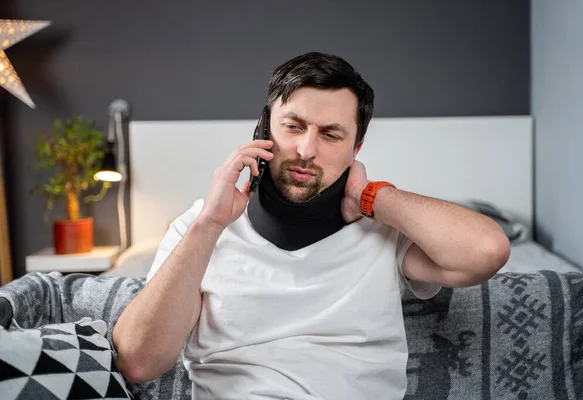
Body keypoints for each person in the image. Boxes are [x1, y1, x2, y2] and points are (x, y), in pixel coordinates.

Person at [113, 52, 510, 399]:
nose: (306, 150)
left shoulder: (385, 230)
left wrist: (372, 197)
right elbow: (136, 361)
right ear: (264, 129)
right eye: (293, 126)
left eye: (331, 134)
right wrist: (210, 224)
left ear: (355, 151)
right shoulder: (200, 228)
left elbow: (487, 251)